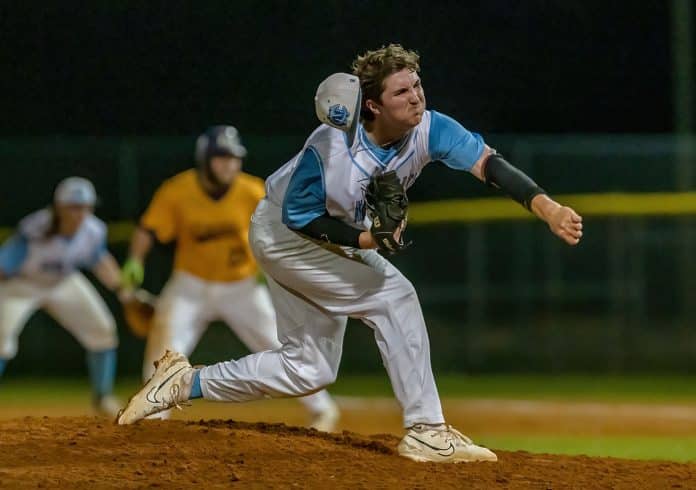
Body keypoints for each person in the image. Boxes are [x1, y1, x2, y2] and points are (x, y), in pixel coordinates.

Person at [117, 45, 583, 463]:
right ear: (374, 104)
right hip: (286, 234)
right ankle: (426, 428)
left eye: (417, 84)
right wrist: (367, 241)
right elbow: (301, 219)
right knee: (393, 294)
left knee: (310, 368)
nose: (416, 97)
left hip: (311, 239)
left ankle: (183, 382)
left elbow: (489, 165)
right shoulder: (330, 149)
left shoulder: (430, 128)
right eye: (402, 91)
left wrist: (546, 206)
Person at [119, 125, 339, 430]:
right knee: (164, 348)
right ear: (205, 160)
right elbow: (148, 231)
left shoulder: (253, 191)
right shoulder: (177, 191)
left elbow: (284, 231)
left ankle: (322, 408)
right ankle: (152, 418)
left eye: (234, 158)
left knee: (281, 344)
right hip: (190, 286)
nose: (229, 164)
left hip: (242, 286)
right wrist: (134, 260)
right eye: (221, 157)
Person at [0, 177, 123, 417]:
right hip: (21, 286)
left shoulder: (93, 230)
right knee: (1, 340)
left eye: (86, 207)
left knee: (103, 330)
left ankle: (102, 397)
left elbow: (100, 260)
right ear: (58, 207)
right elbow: (5, 264)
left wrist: (123, 290)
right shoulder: (35, 228)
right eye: (74, 207)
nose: (80, 214)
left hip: (63, 282)